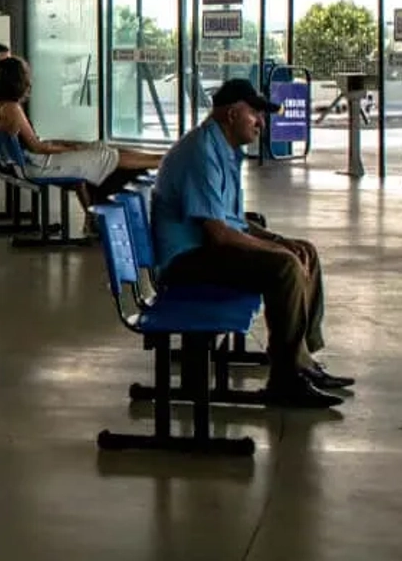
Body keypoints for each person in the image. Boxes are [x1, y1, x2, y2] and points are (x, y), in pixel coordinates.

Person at [151, 78, 352, 409]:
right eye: (255, 114)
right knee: (285, 266)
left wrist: (281, 241)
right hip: (185, 261)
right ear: (231, 114)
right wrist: (278, 251)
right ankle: (286, 380)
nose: (261, 122)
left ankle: (302, 360)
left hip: (206, 248)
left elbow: (234, 221)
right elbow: (218, 233)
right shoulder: (201, 152)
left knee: (305, 252)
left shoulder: (224, 151)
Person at [0, 56, 163, 204]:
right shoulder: (12, 108)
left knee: (99, 147)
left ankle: (158, 159)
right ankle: (159, 161)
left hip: (34, 162)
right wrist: (69, 149)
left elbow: (32, 144)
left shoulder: (0, 106)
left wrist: (64, 145)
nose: (30, 78)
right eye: (26, 73)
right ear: (16, 79)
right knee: (104, 155)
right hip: (40, 165)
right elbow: (37, 147)